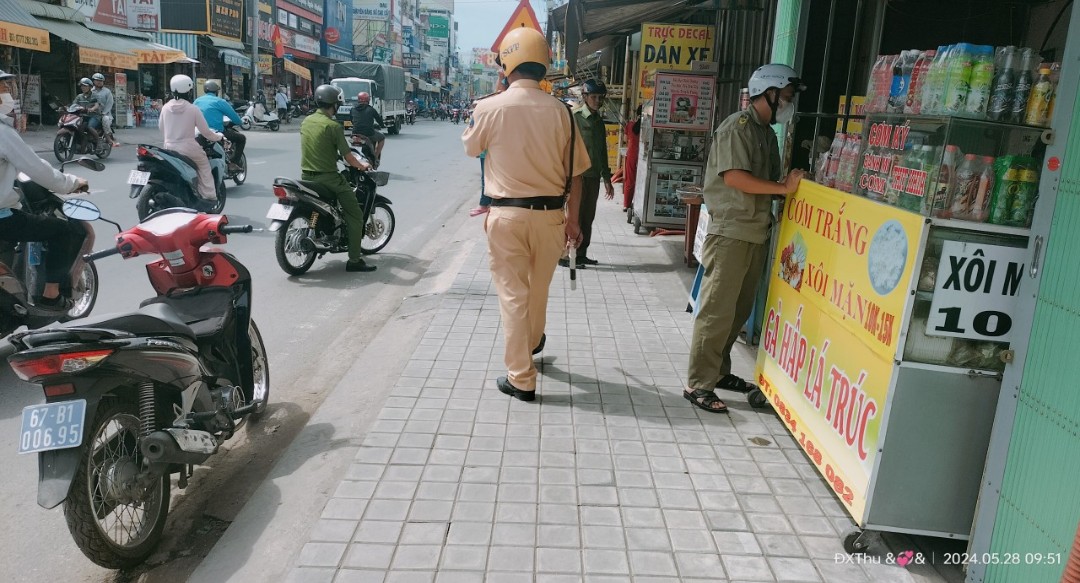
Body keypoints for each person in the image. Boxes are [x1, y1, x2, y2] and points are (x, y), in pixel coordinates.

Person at [462, 27, 591, 402]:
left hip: (507, 218)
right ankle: (532, 343)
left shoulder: (488, 107)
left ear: (507, 65)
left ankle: (521, 377)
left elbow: (471, 149)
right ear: (544, 65)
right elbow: (577, 174)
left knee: (513, 296)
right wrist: (573, 220)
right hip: (552, 217)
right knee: (537, 293)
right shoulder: (563, 113)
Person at [684, 64, 807, 414]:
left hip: (754, 232)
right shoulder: (737, 127)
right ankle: (698, 383)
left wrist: (784, 190)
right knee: (716, 311)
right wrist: (782, 189)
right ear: (766, 93)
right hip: (731, 232)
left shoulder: (766, 133)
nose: (787, 103)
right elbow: (736, 177)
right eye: (784, 97)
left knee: (737, 312)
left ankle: (719, 373)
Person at [0, 70, 91, 311]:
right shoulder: (3, 132)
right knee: (67, 231)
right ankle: (50, 296)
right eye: (3, 89)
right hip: (2, 218)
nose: (7, 94)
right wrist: (72, 183)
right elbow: (36, 168)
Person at [301, 84, 377, 273]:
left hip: (305, 177)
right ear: (334, 105)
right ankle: (354, 260)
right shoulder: (333, 126)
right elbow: (349, 157)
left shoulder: (307, 121)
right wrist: (363, 165)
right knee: (355, 214)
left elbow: (318, 146)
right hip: (329, 179)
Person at [562, 79, 613, 268]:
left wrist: (607, 178)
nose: (598, 101)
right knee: (572, 216)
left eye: (601, 98)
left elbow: (602, 151)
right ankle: (565, 254)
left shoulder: (599, 121)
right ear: (584, 97)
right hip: (576, 176)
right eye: (594, 97)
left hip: (593, 177)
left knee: (587, 217)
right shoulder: (574, 117)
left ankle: (581, 254)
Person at [159, 74, 223, 202]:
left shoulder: (165, 108)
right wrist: (219, 137)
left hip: (169, 148)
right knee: (204, 165)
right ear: (188, 90)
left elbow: (161, 128)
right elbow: (206, 132)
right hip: (189, 148)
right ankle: (209, 197)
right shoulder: (193, 109)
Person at [195, 80, 246, 172]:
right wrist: (239, 122)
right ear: (216, 91)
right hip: (215, 133)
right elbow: (237, 119)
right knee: (241, 138)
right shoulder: (220, 101)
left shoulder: (197, 101)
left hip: (198, 133)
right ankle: (233, 163)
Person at [351, 92, 385, 162]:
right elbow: (379, 119)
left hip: (355, 133)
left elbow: (351, 120)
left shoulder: (353, 109)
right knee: (382, 138)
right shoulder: (371, 109)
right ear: (368, 100)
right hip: (368, 133)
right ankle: (375, 157)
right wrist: (382, 125)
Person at [623, 105, 642, 212]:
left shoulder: (630, 125)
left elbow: (625, 139)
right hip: (643, 157)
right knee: (641, 181)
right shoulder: (648, 126)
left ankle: (626, 204)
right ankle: (639, 204)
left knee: (630, 180)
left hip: (631, 155)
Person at [90, 73, 118, 146]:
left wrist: (104, 113)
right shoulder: (91, 91)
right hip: (93, 114)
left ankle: (109, 139)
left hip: (105, 114)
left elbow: (110, 103)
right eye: (97, 80)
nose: (99, 82)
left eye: (101, 80)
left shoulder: (107, 91)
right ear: (93, 81)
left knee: (105, 120)